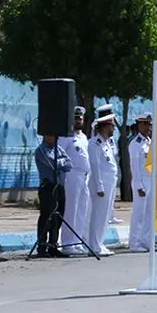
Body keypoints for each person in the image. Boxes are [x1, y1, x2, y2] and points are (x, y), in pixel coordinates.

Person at [58, 107, 92, 255]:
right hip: (71, 175)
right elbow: (59, 155)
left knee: (81, 211)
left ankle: (77, 241)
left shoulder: (83, 137)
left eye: (80, 118)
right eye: (76, 118)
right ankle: (67, 243)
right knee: (71, 210)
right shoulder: (65, 136)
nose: (78, 121)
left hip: (84, 176)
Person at [86, 104, 118, 257]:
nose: (114, 129)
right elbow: (95, 165)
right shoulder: (95, 143)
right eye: (112, 126)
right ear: (106, 126)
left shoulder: (106, 143)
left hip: (109, 184)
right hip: (101, 185)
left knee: (105, 215)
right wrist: (99, 186)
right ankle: (94, 245)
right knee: (98, 215)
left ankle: (99, 243)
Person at [34, 134, 71, 257]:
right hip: (48, 186)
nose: (56, 139)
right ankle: (42, 246)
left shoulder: (58, 149)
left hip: (59, 185)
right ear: (46, 136)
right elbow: (52, 163)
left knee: (58, 216)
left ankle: (53, 245)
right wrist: (62, 162)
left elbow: (69, 163)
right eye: (53, 136)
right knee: (47, 216)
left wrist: (60, 162)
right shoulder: (41, 150)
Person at [128, 114, 153, 252]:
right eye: (144, 124)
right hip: (141, 182)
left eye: (149, 124)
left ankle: (146, 240)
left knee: (149, 213)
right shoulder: (135, 143)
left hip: (151, 181)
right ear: (138, 125)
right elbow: (134, 166)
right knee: (139, 214)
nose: (147, 127)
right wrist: (138, 185)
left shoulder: (149, 141)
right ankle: (135, 242)